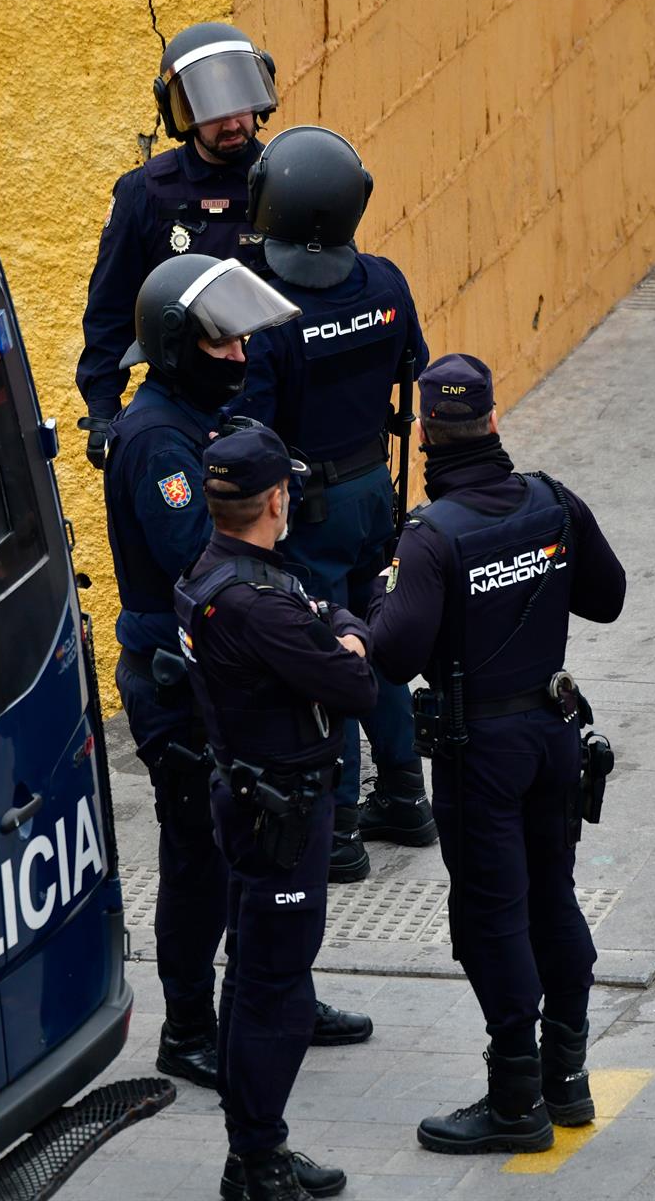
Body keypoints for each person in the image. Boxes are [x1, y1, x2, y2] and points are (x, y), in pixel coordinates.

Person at [104, 253, 372, 1092]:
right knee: (199, 859)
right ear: (181, 346)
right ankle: (188, 1027)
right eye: (222, 344)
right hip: (181, 683)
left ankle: (280, 988)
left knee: (264, 851)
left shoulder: (201, 421)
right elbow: (207, 567)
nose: (240, 356)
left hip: (226, 673)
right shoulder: (158, 441)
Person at [367, 353, 627, 1155]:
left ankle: (517, 1099)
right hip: (555, 738)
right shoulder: (552, 503)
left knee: (492, 916)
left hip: (481, 753)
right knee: (554, 894)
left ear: (431, 437)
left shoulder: (432, 536)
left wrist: (383, 594)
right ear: (492, 422)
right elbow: (608, 598)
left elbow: (393, 654)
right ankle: (568, 1079)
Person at [174, 424, 379, 1201]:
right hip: (281, 813)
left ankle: (255, 1149)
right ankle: (257, 1162)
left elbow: (316, 611)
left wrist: (332, 628)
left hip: (252, 799)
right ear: (275, 500)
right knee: (275, 990)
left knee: (252, 977)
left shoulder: (217, 572)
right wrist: (351, 634)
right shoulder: (260, 606)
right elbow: (356, 683)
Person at [229, 124, 437, 884]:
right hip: (372, 494)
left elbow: (250, 427)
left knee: (325, 655)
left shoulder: (266, 311)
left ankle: (341, 828)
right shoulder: (386, 283)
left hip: (305, 507)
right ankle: (407, 795)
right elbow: (411, 364)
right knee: (374, 640)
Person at [78, 22, 280, 468]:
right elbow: (110, 310)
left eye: (241, 105)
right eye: (212, 110)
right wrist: (102, 409)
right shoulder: (145, 193)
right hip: (184, 407)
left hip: (274, 397)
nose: (231, 122)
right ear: (180, 113)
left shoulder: (286, 179)